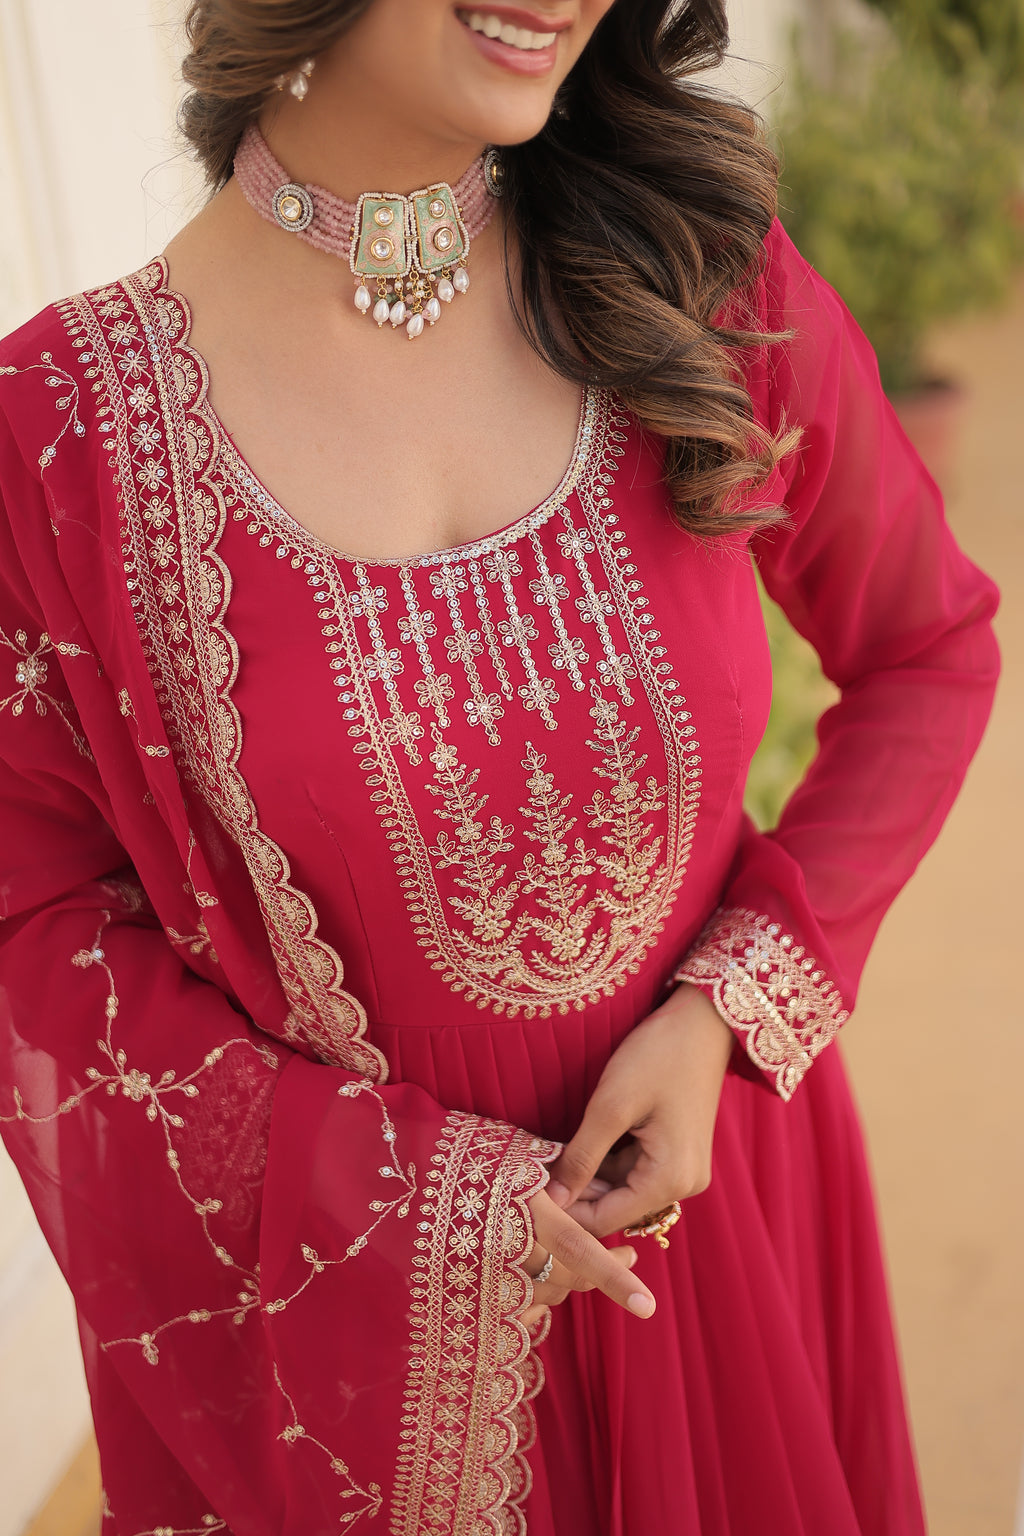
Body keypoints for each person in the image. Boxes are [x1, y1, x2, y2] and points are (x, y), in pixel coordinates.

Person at [0, 1, 999, 1531]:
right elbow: (36, 936)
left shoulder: (683, 262)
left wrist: (734, 1006)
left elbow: (931, 645)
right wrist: (419, 1210)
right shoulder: (51, 440)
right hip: (369, 1342)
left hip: (725, 1219)